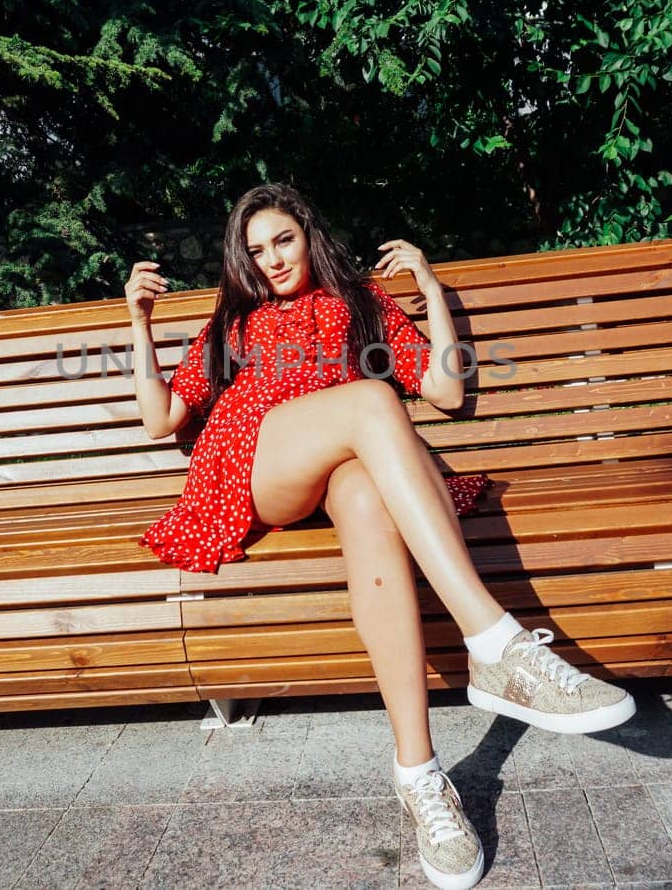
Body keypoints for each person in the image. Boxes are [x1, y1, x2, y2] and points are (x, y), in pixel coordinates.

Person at [124, 183, 634, 890]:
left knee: (367, 496)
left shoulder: (363, 301)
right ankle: (494, 642)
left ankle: (420, 778)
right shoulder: (231, 319)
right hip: (257, 459)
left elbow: (447, 390)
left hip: (345, 466)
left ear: (309, 232)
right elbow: (161, 417)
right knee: (371, 398)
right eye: (255, 250)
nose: (272, 260)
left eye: (283, 240)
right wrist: (139, 322)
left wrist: (430, 290)